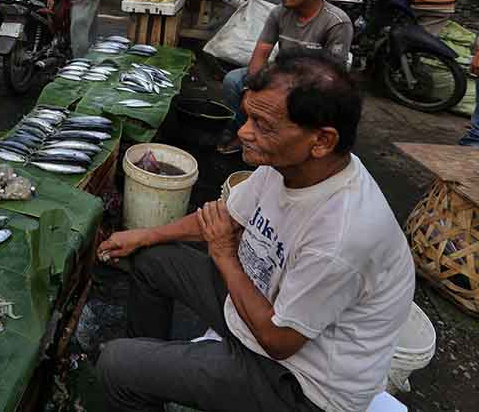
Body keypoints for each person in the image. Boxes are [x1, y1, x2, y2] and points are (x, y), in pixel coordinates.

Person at [97, 50, 415, 412]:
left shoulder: (343, 235)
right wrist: (145, 235)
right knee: (152, 259)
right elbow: (227, 217)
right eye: (247, 117)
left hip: (297, 381)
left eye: (263, 125)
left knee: (116, 365)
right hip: (254, 309)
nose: (244, 132)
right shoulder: (288, 166)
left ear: (322, 141)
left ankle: (140, 376)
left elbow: (279, 341)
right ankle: (153, 376)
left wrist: (225, 255)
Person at [218, 0, 353, 155]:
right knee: (234, 81)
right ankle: (247, 133)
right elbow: (262, 51)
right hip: (281, 74)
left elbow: (331, 74)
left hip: (314, 83)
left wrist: (288, 90)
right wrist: (251, 87)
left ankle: (289, 144)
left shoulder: (336, 21)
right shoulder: (279, 12)